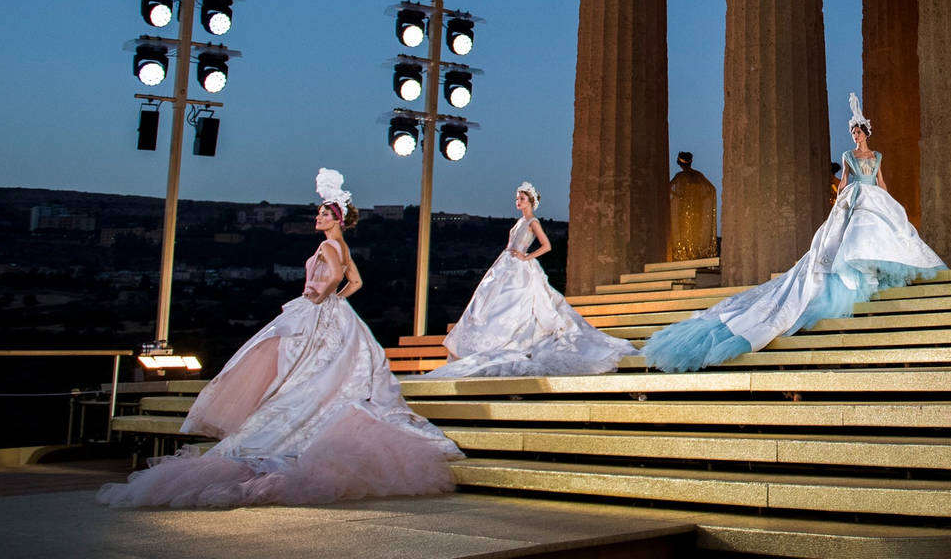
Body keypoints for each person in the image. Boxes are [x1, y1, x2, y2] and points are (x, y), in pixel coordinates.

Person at [97, 169, 461, 508]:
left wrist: (319, 294)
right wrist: (334, 299)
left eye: (323, 214)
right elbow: (357, 282)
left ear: (336, 218)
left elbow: (336, 276)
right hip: (331, 313)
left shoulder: (328, 248)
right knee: (311, 370)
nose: (317, 218)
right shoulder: (341, 246)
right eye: (319, 214)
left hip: (318, 311)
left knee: (301, 370)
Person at [641, 94, 945, 372]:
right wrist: (839, 206)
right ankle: (859, 278)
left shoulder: (876, 156)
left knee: (879, 235)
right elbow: (843, 183)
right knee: (848, 243)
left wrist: (889, 203)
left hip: (874, 200)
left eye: (858, 131)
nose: (855, 135)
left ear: (866, 132)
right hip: (853, 200)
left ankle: (874, 275)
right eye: (853, 131)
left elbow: (882, 182)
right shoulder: (848, 156)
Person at [425, 182, 633, 378]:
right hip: (505, 265)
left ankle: (517, 340)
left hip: (520, 268)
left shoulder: (533, 222)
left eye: (522, 198)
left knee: (518, 303)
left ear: (531, 201)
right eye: (517, 198)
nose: (518, 201)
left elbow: (547, 246)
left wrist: (526, 256)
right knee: (487, 304)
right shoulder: (519, 222)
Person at [668, 152, 719, 261]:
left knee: (685, 229)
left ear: (680, 164)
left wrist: (680, 196)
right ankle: (694, 253)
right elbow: (711, 189)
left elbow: (668, 188)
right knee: (695, 228)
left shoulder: (680, 176)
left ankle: (687, 253)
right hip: (697, 207)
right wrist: (701, 198)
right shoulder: (698, 175)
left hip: (685, 207)